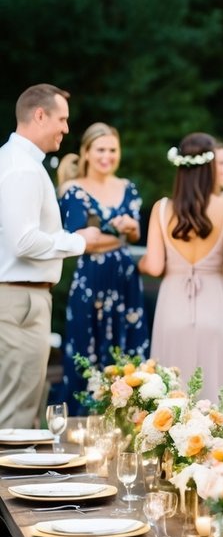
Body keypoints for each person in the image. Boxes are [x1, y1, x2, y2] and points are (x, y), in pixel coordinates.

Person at [0, 84, 105, 428]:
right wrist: (79, 242)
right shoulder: (22, 169)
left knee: (23, 403)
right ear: (39, 115)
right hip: (20, 299)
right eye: (62, 119)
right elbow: (24, 241)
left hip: (20, 298)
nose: (66, 128)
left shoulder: (18, 162)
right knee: (17, 410)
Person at [139, 133, 223, 406]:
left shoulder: (161, 209)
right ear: (209, 167)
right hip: (215, 302)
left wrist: (137, 262)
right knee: (217, 385)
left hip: (172, 304)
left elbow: (153, 266)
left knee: (173, 389)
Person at [57, 123, 148, 414]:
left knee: (127, 358)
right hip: (90, 283)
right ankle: (79, 432)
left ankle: (126, 430)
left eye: (112, 149)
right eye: (100, 150)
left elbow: (135, 234)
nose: (106, 156)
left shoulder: (127, 187)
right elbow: (81, 241)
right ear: (85, 152)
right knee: (85, 356)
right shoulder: (73, 189)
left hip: (124, 284)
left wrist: (129, 229)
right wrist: (118, 233)